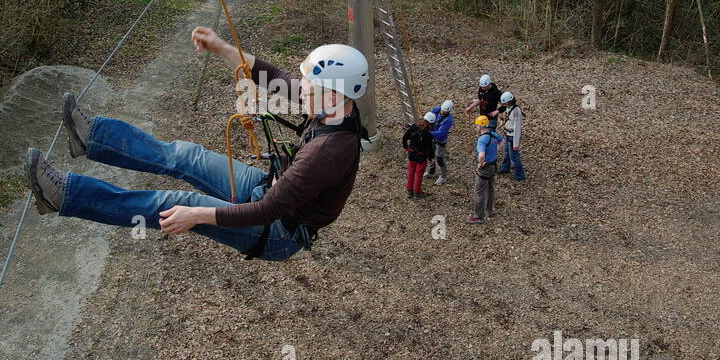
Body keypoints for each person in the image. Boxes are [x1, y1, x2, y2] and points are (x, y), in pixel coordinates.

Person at [25, 27, 369, 261]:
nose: (302, 87)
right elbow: (276, 79)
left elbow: (268, 210)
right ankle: (94, 138)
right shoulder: (332, 109)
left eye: (310, 84)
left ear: (336, 92)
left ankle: (64, 197)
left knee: (179, 203)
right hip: (268, 190)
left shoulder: (327, 153)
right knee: (187, 155)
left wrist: (197, 215)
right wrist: (223, 49)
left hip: (278, 230)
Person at [467, 115, 502, 224]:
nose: (476, 126)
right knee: (490, 188)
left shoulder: (482, 139)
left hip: (485, 168)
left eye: (477, 124)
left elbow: (481, 154)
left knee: (479, 192)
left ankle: (478, 216)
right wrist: (495, 152)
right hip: (493, 165)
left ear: (481, 125)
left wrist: (480, 164)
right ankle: (489, 211)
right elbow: (501, 142)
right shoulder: (494, 134)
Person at [402, 111, 436, 198]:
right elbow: (429, 148)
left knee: (411, 171)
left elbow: (405, 137)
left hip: (412, 153)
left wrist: (406, 147)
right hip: (421, 156)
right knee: (419, 174)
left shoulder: (414, 127)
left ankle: (409, 190)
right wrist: (431, 158)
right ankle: (417, 192)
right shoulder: (428, 135)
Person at [424, 99, 454, 185]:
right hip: (431, 135)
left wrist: (429, 133)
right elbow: (430, 116)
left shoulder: (448, 119)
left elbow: (441, 133)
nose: (442, 112)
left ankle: (443, 176)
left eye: (444, 112)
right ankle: (431, 171)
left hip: (440, 139)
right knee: (430, 153)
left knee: (440, 158)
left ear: (448, 111)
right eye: (442, 110)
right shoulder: (437, 110)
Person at [497, 91, 525, 180]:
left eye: (504, 103)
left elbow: (517, 129)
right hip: (507, 133)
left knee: (514, 156)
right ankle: (505, 168)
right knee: (506, 152)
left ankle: (520, 175)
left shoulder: (516, 112)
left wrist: (516, 144)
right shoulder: (509, 108)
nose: (503, 105)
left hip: (512, 136)